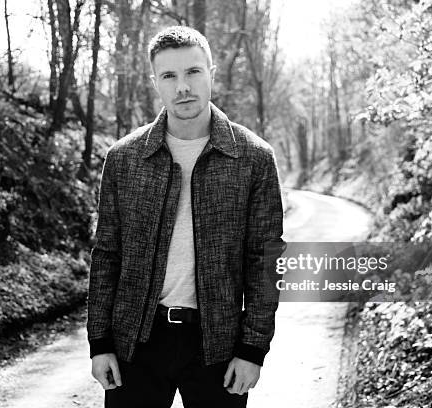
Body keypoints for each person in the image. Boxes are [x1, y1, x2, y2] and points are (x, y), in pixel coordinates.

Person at [87, 25, 285, 408]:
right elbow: (107, 254)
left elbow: (265, 260)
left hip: (219, 346)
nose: (183, 87)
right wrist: (100, 342)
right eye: (169, 76)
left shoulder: (254, 158)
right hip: (135, 345)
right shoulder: (124, 158)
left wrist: (253, 348)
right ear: (155, 83)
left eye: (193, 72)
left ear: (211, 73)